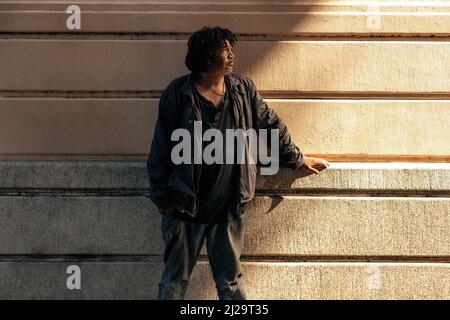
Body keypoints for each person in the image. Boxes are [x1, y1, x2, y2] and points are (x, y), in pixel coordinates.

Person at [147, 26, 330, 300]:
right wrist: (166, 202)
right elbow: (160, 150)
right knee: (174, 282)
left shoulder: (241, 89)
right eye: (225, 49)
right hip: (185, 209)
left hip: (227, 209)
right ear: (207, 55)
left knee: (230, 285)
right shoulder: (178, 93)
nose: (232, 54)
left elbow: (270, 124)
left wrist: (296, 158)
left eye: (232, 47)